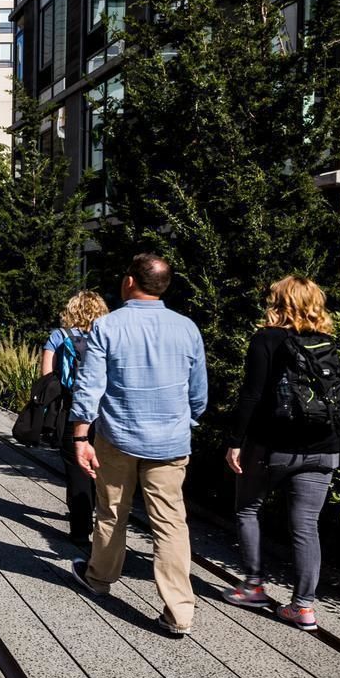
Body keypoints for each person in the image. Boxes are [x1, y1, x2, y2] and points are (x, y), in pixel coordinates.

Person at [67, 252, 209, 637]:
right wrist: (185, 421)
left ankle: (99, 577)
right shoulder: (187, 328)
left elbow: (90, 387)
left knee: (112, 510)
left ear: (130, 282)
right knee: (170, 522)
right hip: (171, 440)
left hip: (118, 437)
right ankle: (179, 610)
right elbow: (198, 393)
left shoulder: (107, 327)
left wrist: (81, 435)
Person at [221, 276, 340, 632]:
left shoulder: (266, 338)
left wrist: (235, 441)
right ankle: (303, 607)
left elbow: (252, 395)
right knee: (307, 526)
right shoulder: (327, 342)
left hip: (272, 446)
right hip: (324, 448)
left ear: (280, 303)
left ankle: (253, 586)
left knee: (248, 508)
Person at [43, 289, 110, 547]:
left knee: (77, 468)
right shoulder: (107, 336)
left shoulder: (59, 336)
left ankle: (81, 530)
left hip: (72, 410)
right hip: (104, 412)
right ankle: (101, 519)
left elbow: (46, 377)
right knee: (102, 466)